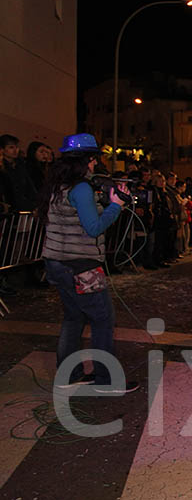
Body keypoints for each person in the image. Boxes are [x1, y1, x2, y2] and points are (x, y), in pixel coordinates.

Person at [37, 133, 138, 393]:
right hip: (81, 266)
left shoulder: (57, 185)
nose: (95, 165)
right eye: (93, 160)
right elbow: (93, 228)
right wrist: (116, 206)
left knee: (73, 318)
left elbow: (79, 221)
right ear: (85, 160)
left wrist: (109, 204)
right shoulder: (81, 188)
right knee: (103, 320)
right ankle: (107, 380)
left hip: (56, 263)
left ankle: (69, 376)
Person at [0, 134, 38, 211]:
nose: (15, 150)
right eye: (11, 147)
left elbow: (29, 187)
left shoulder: (21, 166)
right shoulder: (2, 168)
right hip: (7, 207)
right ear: (2, 149)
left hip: (23, 205)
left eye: (16, 147)